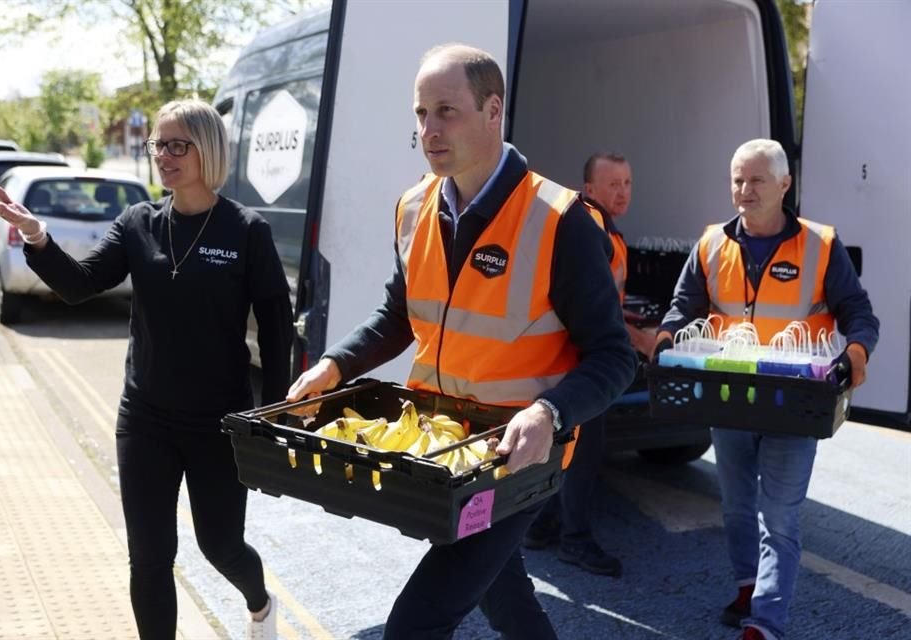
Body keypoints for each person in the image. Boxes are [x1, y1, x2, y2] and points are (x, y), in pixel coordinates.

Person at [286, 44, 637, 639]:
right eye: (421, 114)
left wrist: (550, 412)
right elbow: (399, 314)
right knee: (505, 598)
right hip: (440, 448)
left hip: (513, 458)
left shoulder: (561, 219)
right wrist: (334, 363)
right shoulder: (413, 206)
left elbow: (614, 356)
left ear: (493, 110)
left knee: (416, 624)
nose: (429, 130)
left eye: (446, 111)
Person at [0, 99, 293, 640]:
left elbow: (278, 330)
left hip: (220, 422)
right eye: (157, 144)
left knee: (221, 546)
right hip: (145, 418)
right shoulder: (138, 222)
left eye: (176, 145)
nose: (162, 155)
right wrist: (37, 237)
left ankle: (260, 605)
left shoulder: (246, 231)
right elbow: (78, 285)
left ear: (207, 149)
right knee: (149, 557)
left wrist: (274, 417)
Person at [652, 139, 879, 640]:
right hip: (728, 396)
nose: (744, 190)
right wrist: (668, 337)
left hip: (794, 401)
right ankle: (746, 582)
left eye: (756, 180)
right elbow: (683, 304)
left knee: (778, 514)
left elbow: (859, 314)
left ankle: (766, 622)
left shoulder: (819, 245)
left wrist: (856, 354)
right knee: (735, 505)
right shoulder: (712, 243)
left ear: (784, 184)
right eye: (737, 179)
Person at [523, 153, 644, 576]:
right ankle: (574, 541)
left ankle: (541, 527)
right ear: (589, 189)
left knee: (564, 453)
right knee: (581, 456)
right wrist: (641, 339)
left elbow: (600, 303)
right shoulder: (590, 226)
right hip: (582, 367)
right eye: (613, 184)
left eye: (627, 183)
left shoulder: (607, 230)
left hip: (577, 363)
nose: (622, 191)